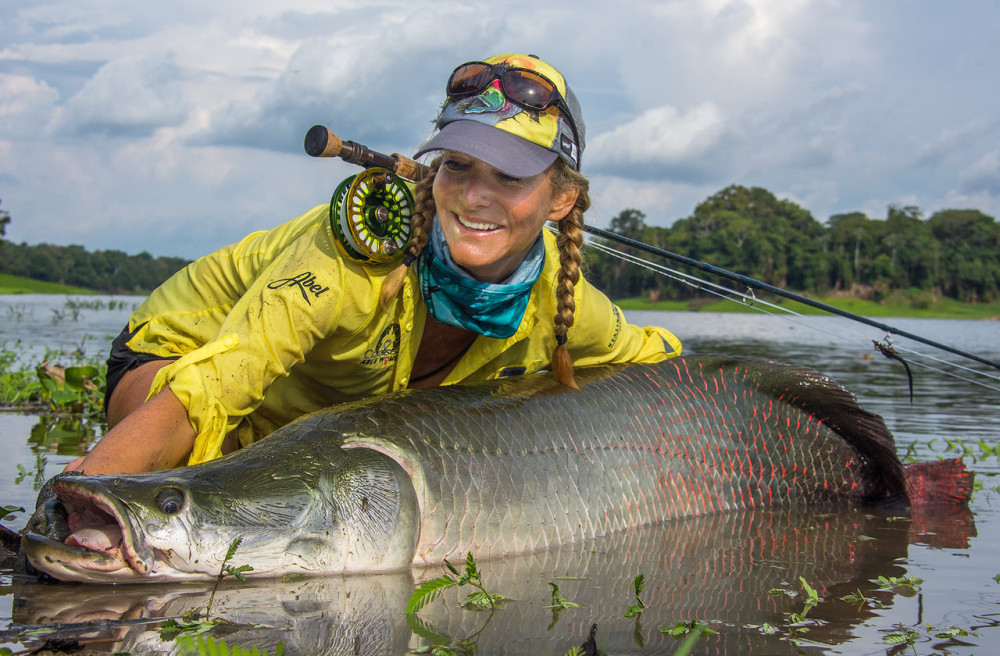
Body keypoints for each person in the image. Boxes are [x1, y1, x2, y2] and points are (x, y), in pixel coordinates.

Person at [66, 53, 682, 475]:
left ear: (562, 200)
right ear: (434, 169)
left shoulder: (563, 299)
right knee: (218, 468)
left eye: (512, 175)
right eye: (459, 166)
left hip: (308, 423)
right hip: (176, 356)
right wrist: (93, 491)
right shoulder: (353, 250)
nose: (474, 197)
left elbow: (661, 369)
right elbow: (211, 386)